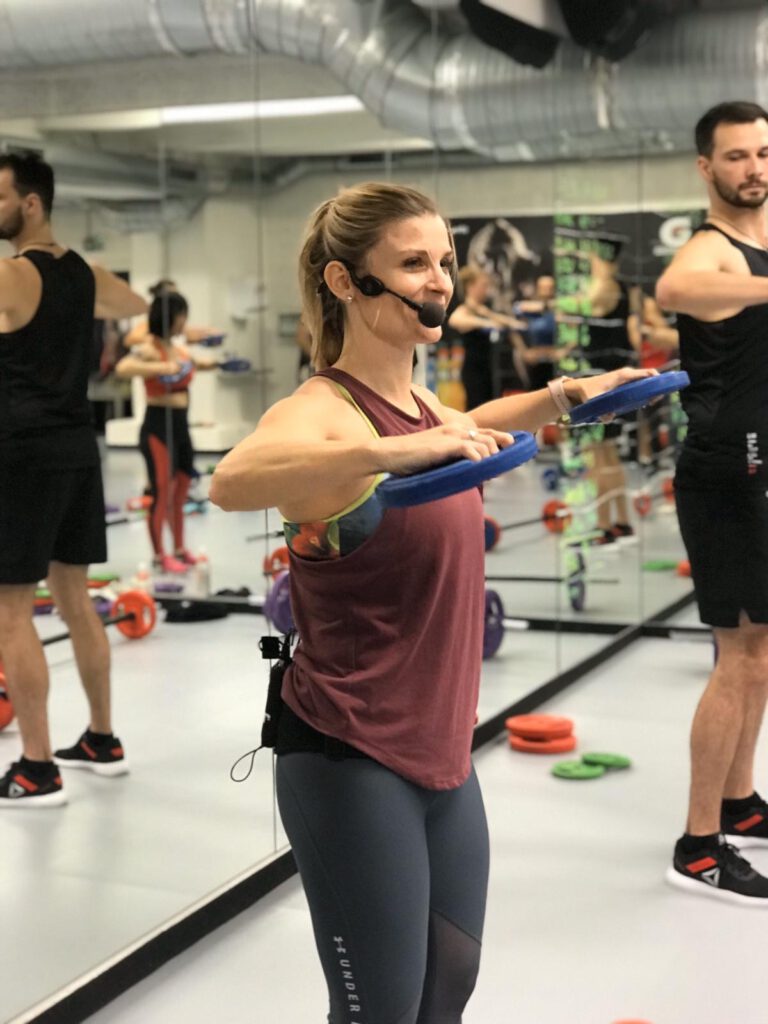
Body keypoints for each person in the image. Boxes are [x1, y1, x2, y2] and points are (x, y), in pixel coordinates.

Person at [210, 182, 650, 1021]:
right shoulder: (323, 411)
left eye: (443, 260)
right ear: (346, 281)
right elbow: (233, 481)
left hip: (442, 750)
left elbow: (470, 418)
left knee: (449, 984)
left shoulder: (422, 408)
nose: (439, 280)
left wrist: (564, 397)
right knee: (381, 1008)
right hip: (349, 752)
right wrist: (387, 453)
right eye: (413, 263)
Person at [0, 153, 147, 806]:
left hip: (22, 456)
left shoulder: (12, 275)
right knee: (74, 598)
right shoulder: (84, 273)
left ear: (30, 204)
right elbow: (136, 303)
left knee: (10, 613)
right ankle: (101, 739)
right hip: (77, 451)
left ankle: (37, 768)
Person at [656, 100, 768, 905]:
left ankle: (741, 802)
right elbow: (671, 286)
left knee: (761, 652)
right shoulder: (710, 248)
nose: (754, 168)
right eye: (736, 156)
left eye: (763, 153)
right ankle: (698, 846)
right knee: (739, 657)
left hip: (760, 469)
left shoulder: (756, 245)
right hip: (728, 473)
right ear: (707, 167)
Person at [116, 291, 218, 573]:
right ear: (169, 317)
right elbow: (123, 367)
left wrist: (219, 363)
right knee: (161, 491)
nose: (184, 321)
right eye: (181, 315)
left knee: (181, 490)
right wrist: (161, 366)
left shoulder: (178, 349)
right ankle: (160, 556)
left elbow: (195, 364)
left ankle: (180, 550)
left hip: (181, 425)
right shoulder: (150, 348)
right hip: (158, 426)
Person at [447, 264, 529, 408]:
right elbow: (454, 321)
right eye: (483, 285)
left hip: (489, 369)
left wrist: (514, 324)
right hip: (474, 371)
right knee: (476, 407)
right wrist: (485, 323)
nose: (487, 290)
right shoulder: (466, 309)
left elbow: (501, 321)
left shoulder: (482, 309)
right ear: (471, 286)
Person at [123, 278, 222, 348]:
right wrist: (159, 341)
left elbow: (187, 334)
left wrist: (205, 334)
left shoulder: (176, 325)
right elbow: (129, 340)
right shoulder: (150, 324)